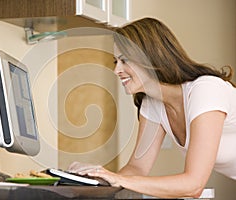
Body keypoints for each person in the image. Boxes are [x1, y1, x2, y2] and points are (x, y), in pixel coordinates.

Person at [68, 17, 236, 198]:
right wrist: (96, 177)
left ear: (151, 57)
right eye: (116, 61)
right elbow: (137, 168)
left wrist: (117, 179)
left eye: (124, 60)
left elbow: (193, 185)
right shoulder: (153, 103)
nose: (117, 70)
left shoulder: (206, 90)